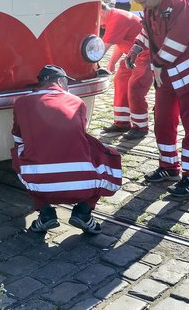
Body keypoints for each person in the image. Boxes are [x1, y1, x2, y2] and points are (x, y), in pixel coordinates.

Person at [11, 64, 123, 235]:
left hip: (41, 186)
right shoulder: (77, 102)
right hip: (84, 186)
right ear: (60, 81)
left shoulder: (21, 103)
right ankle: (84, 212)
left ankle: (45, 212)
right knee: (102, 153)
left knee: (18, 154)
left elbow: (18, 138)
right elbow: (79, 136)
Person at [126, 0, 189, 200]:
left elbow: (178, 40)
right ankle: (169, 166)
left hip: (188, 73)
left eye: (143, 2)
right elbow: (148, 32)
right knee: (162, 119)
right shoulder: (152, 7)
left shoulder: (179, 3)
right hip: (166, 75)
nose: (142, 7)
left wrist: (158, 64)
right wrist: (135, 49)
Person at [100, 2, 153, 139]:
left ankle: (140, 127)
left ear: (99, 12)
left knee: (136, 87)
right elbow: (120, 42)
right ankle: (122, 122)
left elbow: (102, 48)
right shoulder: (114, 16)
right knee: (120, 81)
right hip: (133, 55)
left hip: (146, 55)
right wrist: (112, 62)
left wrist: (91, 63)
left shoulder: (116, 18)